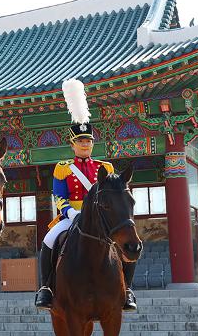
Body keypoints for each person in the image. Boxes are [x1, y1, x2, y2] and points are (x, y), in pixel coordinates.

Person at [34, 78, 137, 312]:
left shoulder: (106, 168)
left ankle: (128, 289)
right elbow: (58, 197)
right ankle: (46, 289)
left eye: (88, 141)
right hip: (71, 215)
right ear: (72, 144)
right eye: (80, 141)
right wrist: (70, 211)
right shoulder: (63, 168)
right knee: (49, 240)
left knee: (127, 242)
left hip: (100, 215)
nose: (85, 145)